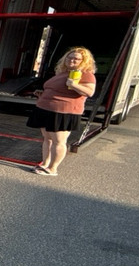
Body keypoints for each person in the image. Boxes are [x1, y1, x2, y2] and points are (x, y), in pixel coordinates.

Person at [26, 46, 97, 176]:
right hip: (45, 108)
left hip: (64, 112)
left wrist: (74, 84)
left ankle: (53, 169)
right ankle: (45, 164)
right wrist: (42, 93)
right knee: (47, 139)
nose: (72, 60)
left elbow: (90, 92)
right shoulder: (63, 72)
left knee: (59, 141)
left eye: (76, 59)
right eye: (70, 57)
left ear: (84, 61)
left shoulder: (86, 75)